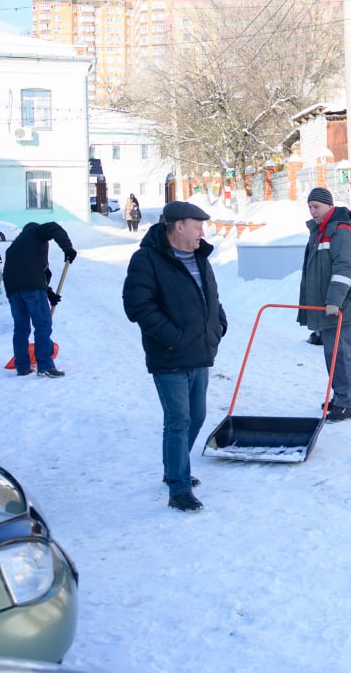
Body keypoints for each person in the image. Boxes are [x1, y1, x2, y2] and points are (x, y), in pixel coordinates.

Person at [123, 200, 227, 513]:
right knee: (178, 420)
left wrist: (219, 323)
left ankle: (173, 469)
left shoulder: (200, 256)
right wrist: (174, 337)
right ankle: (179, 488)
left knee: (197, 416)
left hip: (200, 353)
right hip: (169, 357)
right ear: (178, 226)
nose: (202, 233)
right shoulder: (147, 259)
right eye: (197, 227)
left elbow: (211, 296)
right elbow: (138, 306)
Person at [298, 187, 351, 422]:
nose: (312, 211)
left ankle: (346, 403)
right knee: (332, 353)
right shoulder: (321, 231)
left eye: (316, 207)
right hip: (328, 305)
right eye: (310, 207)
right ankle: (340, 396)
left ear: (329, 206)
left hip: (342, 304)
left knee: (341, 354)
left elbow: (346, 267)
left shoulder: (340, 230)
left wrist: (334, 300)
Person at [3, 222, 77, 378]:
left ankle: (22, 367)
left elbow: (38, 273)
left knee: (21, 329)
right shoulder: (36, 231)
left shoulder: (13, 248)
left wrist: (49, 294)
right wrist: (68, 248)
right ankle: (45, 366)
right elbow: (54, 227)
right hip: (32, 289)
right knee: (42, 325)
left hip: (13, 291)